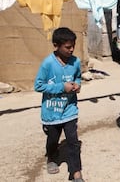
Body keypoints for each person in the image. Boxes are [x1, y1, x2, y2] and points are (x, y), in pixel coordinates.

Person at [34, 27, 84, 182]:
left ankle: (76, 173)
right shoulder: (48, 64)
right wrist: (62, 87)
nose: (71, 50)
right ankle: (52, 158)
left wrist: (77, 85)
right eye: (67, 47)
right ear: (56, 45)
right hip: (52, 113)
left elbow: (78, 77)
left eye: (73, 46)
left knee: (73, 142)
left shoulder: (75, 62)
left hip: (69, 110)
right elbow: (38, 86)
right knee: (52, 140)